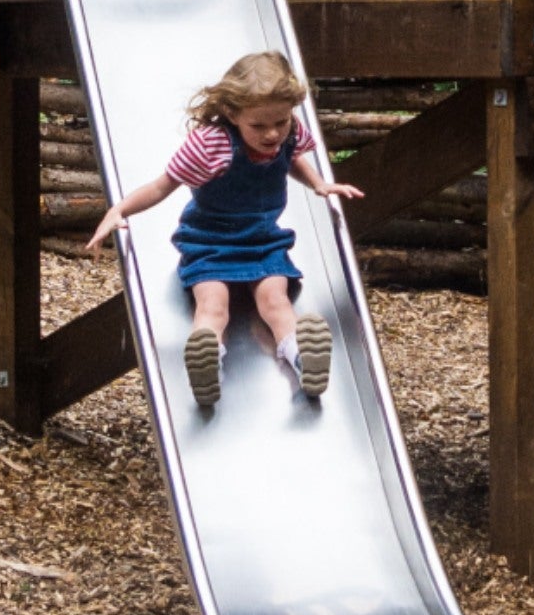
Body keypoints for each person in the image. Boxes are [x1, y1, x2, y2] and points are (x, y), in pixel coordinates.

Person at [86, 53, 362, 412]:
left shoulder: (289, 131)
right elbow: (161, 186)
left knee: (275, 300)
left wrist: (319, 184)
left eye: (280, 122)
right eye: (258, 126)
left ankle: (302, 358)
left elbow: (292, 156)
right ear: (232, 114)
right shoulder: (211, 144)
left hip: (262, 240)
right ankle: (207, 364)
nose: (272, 134)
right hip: (210, 242)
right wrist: (118, 210)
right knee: (213, 304)